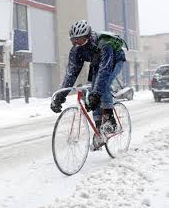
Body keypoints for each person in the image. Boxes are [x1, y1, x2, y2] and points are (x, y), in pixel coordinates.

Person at [50, 20, 127, 148]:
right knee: (92, 92)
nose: (76, 43)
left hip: (115, 59)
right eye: (73, 40)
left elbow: (104, 71)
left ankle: (109, 120)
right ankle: (99, 130)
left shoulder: (104, 45)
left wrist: (97, 94)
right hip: (97, 62)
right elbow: (71, 75)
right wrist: (60, 97)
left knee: (103, 84)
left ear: (88, 36)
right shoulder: (76, 51)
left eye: (79, 40)